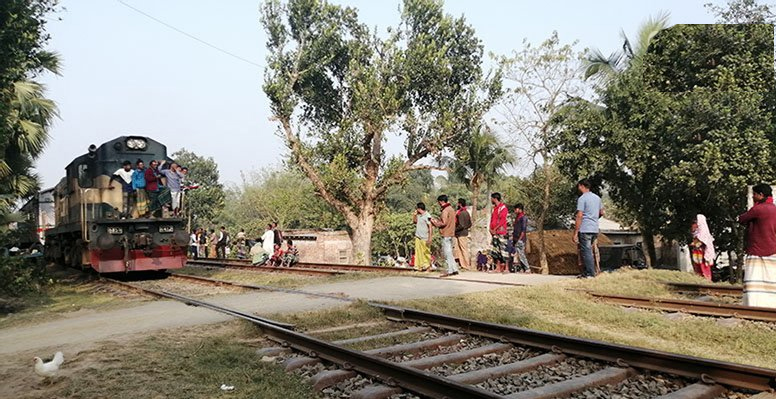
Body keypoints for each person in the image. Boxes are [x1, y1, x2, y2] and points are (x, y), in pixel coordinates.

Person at [737, 184, 776, 308]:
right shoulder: (774, 208)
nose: (753, 197)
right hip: (773, 249)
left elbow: (742, 219)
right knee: (771, 278)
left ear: (761, 195)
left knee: (754, 279)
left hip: (756, 249)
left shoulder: (758, 209)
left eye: (754, 194)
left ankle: (754, 304)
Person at [573, 179, 604, 278]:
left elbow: (580, 215)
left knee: (586, 252)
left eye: (579, 186)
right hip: (594, 228)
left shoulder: (582, 199)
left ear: (582, 186)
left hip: (585, 228)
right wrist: (594, 218)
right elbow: (602, 212)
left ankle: (590, 273)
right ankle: (590, 271)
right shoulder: (597, 198)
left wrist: (575, 231)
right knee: (592, 251)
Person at [431, 195, 458, 277]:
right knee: (450, 252)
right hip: (451, 232)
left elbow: (444, 222)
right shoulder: (451, 209)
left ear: (441, 201)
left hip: (446, 233)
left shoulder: (445, 210)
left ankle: (450, 270)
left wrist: (435, 223)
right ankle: (454, 269)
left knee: (447, 253)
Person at [689, 214, 715, 281]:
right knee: (697, 267)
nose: (695, 223)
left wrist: (696, 244)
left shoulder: (704, 231)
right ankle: (699, 278)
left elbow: (702, 241)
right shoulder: (696, 231)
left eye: (696, 221)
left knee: (704, 267)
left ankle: (707, 279)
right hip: (697, 253)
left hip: (703, 253)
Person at [489, 193, 509, 273]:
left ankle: (506, 268)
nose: (491, 200)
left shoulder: (503, 208)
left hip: (501, 231)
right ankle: (497, 268)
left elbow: (502, 220)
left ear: (495, 198)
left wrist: (495, 229)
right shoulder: (494, 208)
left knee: (504, 249)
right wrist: (490, 228)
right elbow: (492, 219)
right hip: (494, 232)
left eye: (492, 198)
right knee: (496, 250)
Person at [413, 202, 433, 271]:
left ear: (419, 208)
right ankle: (418, 266)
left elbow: (430, 227)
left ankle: (427, 266)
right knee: (418, 252)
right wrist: (414, 215)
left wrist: (430, 237)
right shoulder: (418, 215)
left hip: (425, 237)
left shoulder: (427, 215)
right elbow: (415, 222)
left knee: (426, 252)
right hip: (418, 236)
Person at [512, 203, 531, 273]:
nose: (515, 211)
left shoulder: (523, 218)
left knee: (521, 254)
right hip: (516, 238)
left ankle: (527, 268)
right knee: (519, 255)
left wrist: (519, 239)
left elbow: (523, 230)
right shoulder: (517, 218)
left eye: (516, 209)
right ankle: (522, 268)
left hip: (520, 239)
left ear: (520, 209)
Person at [454, 198, 472, 270]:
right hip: (463, 232)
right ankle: (463, 265)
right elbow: (470, 224)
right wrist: (466, 228)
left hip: (461, 233)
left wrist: (455, 230)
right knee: (460, 249)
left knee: (463, 249)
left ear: (460, 204)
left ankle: (466, 265)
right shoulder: (466, 212)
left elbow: (461, 225)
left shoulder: (461, 213)